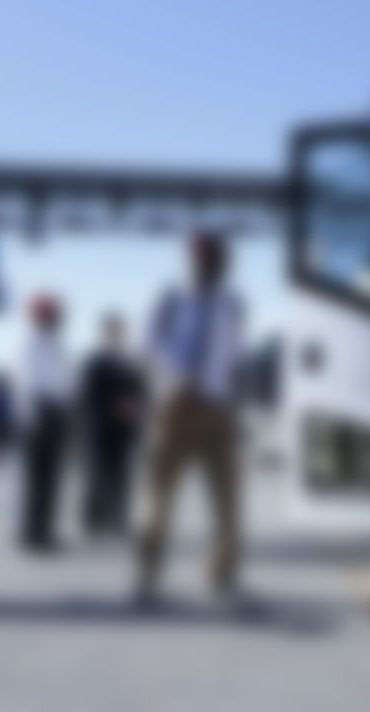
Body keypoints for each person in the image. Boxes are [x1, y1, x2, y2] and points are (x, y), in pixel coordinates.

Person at [136, 232, 245, 604]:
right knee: (158, 499)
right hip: (174, 408)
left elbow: (232, 356)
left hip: (217, 409)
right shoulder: (169, 298)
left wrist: (226, 399)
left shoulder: (232, 303)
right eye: (208, 261)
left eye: (218, 262)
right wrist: (176, 386)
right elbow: (148, 345)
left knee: (228, 502)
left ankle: (222, 575)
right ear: (195, 261)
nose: (215, 267)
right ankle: (146, 577)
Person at [79, 313, 145, 538]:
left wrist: (132, 409)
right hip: (100, 427)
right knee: (98, 472)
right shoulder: (95, 362)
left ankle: (118, 517)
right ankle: (94, 519)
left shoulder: (128, 362)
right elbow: (88, 396)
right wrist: (113, 407)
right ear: (105, 334)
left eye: (120, 331)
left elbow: (139, 392)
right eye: (113, 331)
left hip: (123, 428)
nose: (117, 335)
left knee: (121, 473)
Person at [18, 294, 73, 554]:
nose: (58, 318)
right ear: (43, 317)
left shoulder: (55, 342)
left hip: (56, 413)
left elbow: (64, 382)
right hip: (40, 414)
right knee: (37, 480)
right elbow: (28, 383)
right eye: (53, 314)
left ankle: (45, 532)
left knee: (51, 479)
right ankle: (32, 534)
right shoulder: (33, 343)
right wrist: (35, 417)